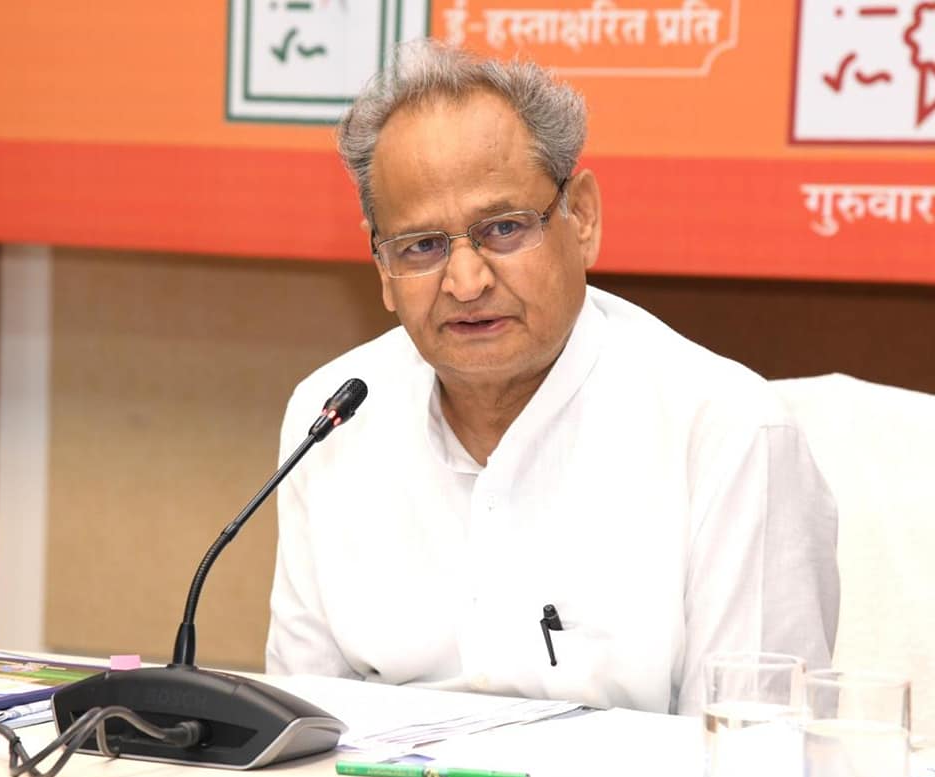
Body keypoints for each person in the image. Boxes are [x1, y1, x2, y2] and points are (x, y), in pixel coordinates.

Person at [265, 41, 839, 715]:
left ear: (582, 218)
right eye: (421, 246)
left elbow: (755, 747)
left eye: (504, 229)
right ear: (383, 269)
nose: (466, 282)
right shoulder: (331, 416)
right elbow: (300, 724)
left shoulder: (726, 432)